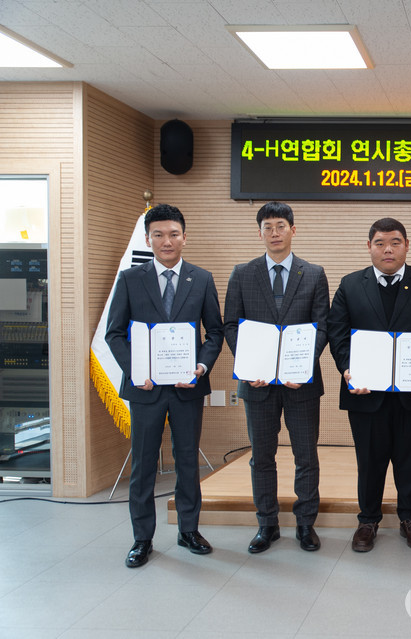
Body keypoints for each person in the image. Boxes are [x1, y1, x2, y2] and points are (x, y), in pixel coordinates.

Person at [106, 203, 224, 568]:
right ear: (148, 239)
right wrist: (135, 370)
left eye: (173, 234)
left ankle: (189, 531)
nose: (166, 241)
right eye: (158, 235)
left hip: (188, 387)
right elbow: (114, 334)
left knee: (188, 460)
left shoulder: (201, 279)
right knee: (143, 464)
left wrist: (202, 366)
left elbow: (215, 332)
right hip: (145, 389)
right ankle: (142, 539)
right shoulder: (130, 279)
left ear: (185, 237)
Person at [328, 217, 411, 552]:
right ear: (368, 247)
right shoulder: (351, 284)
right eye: (380, 243)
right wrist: (348, 369)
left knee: (409, 458)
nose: (388, 249)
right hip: (365, 392)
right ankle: (367, 520)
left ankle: (410, 518)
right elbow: (337, 332)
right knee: (369, 461)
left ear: (407, 246)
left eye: (395, 242)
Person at [223, 201, 329, 554]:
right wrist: (250, 365)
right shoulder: (242, 273)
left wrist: (302, 365)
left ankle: (305, 524)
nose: (274, 233)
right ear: (260, 234)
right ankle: (266, 524)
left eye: (280, 226)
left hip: (301, 385)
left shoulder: (313, 274)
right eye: (267, 227)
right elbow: (231, 324)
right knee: (262, 457)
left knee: (306, 457)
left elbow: (322, 326)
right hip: (258, 385)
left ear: (293, 230)